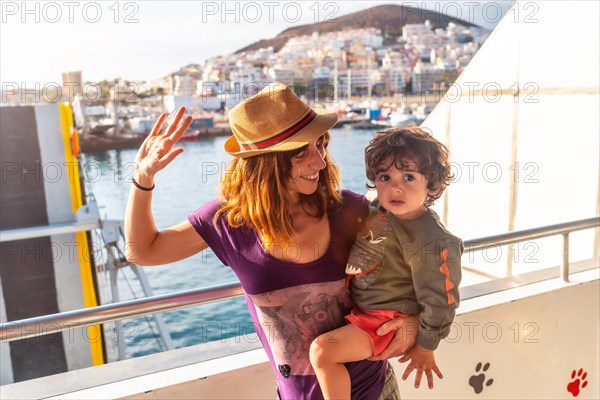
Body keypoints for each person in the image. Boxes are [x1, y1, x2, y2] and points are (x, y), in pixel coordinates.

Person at [124, 82, 419, 400]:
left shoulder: (351, 209)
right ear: (264, 162)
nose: (319, 162)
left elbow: (416, 269)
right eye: (301, 152)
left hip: (375, 392)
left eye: (320, 145)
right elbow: (143, 251)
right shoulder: (228, 222)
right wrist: (143, 179)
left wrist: (416, 321)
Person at [310, 126, 463, 399]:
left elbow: (442, 299)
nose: (395, 187)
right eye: (385, 176)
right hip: (367, 312)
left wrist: (427, 346)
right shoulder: (379, 211)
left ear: (432, 184)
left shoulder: (431, 239)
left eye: (409, 177)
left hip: (386, 322)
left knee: (323, 351)